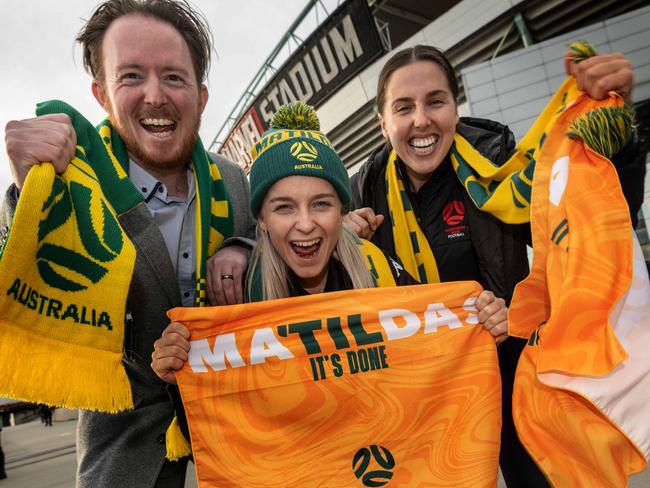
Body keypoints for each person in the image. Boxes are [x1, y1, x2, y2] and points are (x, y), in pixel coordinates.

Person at [344, 45, 644, 487]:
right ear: (383, 123)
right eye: (403, 107)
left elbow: (587, 234)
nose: (421, 120)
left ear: (455, 108)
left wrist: (619, 138)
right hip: (425, 395)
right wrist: (344, 245)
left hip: (511, 374)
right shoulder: (364, 192)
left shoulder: (501, 168)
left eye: (435, 101)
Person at [0, 1, 254, 486]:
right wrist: (28, 195)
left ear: (201, 96)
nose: (155, 96)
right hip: (128, 453)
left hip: (239, 437)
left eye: (174, 78)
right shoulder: (71, 183)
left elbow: (274, 249)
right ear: (101, 94)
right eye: (132, 76)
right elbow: (21, 283)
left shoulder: (233, 182)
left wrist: (241, 245)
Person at [150, 102, 510, 443]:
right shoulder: (236, 296)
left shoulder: (378, 267)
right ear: (261, 219)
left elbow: (439, 351)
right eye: (284, 207)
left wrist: (481, 322)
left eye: (321, 204)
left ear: (341, 209)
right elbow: (217, 429)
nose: (305, 224)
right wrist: (178, 376)